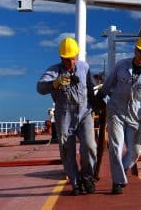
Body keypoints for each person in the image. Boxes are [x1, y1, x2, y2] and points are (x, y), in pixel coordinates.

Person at [101, 35, 141, 195]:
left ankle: (121, 170)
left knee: (136, 151)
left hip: (135, 116)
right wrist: (99, 101)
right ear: (135, 49)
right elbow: (107, 85)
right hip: (116, 111)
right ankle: (118, 181)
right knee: (115, 148)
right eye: (140, 51)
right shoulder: (121, 66)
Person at [37, 37, 97, 195]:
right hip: (65, 115)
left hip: (84, 113)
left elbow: (91, 88)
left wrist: (98, 104)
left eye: (72, 58)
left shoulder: (84, 67)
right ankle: (75, 183)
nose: (70, 62)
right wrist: (54, 84)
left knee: (90, 146)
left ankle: (87, 178)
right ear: (60, 58)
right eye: (66, 59)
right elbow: (40, 88)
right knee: (67, 150)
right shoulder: (54, 71)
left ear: (77, 56)